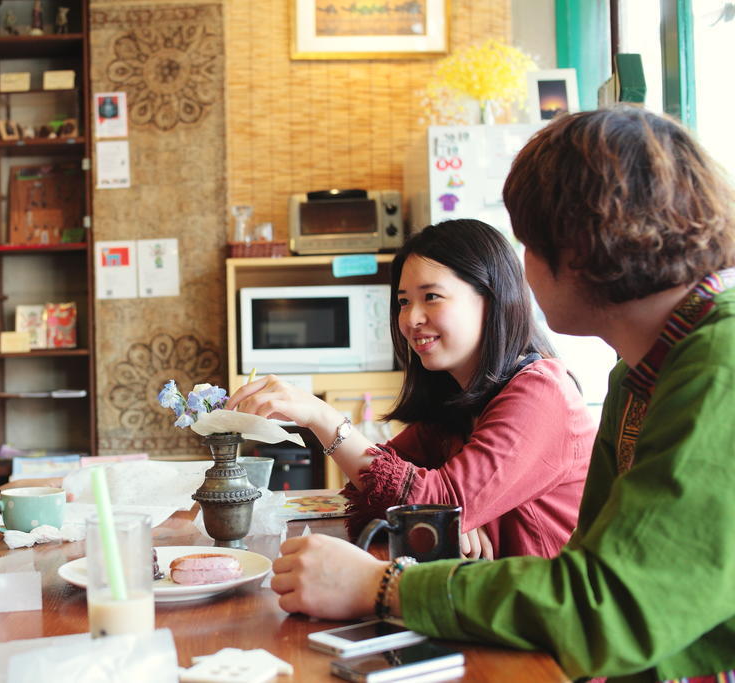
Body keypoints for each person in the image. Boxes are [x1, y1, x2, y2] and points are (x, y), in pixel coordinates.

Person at [268, 108, 735, 681]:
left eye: (528, 243)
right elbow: (592, 573)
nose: (522, 267)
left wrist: (382, 586)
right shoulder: (638, 372)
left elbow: (609, 605)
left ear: (582, 244)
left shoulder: (719, 365)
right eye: (403, 301)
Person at [228, 219, 597, 559]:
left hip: (545, 614)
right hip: (484, 598)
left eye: (431, 297)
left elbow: (434, 500)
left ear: (491, 297)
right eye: (404, 301)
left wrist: (322, 418)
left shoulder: (542, 394)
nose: (411, 318)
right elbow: (366, 497)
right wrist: (457, 515)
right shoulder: (459, 402)